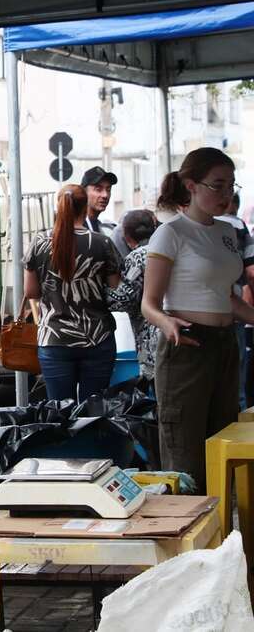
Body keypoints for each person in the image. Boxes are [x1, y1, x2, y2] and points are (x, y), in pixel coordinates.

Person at [142, 148, 254, 486]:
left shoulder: (226, 232)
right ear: (191, 185)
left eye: (232, 186)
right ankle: (189, 531)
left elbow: (226, 297)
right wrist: (167, 323)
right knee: (185, 452)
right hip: (187, 343)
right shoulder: (171, 232)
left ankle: (223, 531)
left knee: (224, 441)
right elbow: (149, 303)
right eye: (217, 185)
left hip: (225, 342)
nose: (226, 194)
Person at [25, 183, 122, 402]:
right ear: (84, 207)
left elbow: (31, 291)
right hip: (98, 338)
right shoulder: (102, 243)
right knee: (94, 412)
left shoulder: (40, 243)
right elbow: (117, 289)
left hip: (54, 339)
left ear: (59, 207)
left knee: (60, 413)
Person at [108, 210, 159, 383]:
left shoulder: (137, 258)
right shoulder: (169, 249)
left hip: (151, 338)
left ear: (127, 237)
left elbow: (123, 299)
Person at [216, 193, 254, 410]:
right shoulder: (238, 227)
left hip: (198, 325)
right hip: (233, 316)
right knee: (236, 383)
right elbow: (251, 272)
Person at [81, 166, 118, 235]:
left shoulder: (106, 228)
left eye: (108, 190)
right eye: (98, 189)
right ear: (84, 192)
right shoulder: (76, 228)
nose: (105, 195)